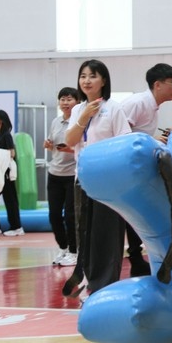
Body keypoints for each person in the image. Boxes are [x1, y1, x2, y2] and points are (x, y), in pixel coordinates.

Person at [64, 59, 132, 297]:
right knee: (84, 232)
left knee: (107, 233)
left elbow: (124, 142)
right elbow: (70, 140)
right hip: (83, 179)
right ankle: (88, 281)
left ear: (103, 80)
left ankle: (106, 284)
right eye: (83, 76)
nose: (87, 80)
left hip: (108, 181)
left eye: (93, 76)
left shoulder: (114, 109)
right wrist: (83, 117)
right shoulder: (77, 110)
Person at [120, 62, 172, 277]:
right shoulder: (138, 103)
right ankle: (134, 258)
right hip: (125, 169)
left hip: (138, 169)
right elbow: (121, 132)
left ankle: (137, 258)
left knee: (139, 213)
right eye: (171, 83)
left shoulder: (152, 106)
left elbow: (138, 133)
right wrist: (151, 140)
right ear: (158, 84)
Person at [42, 87, 79, 265]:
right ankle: (63, 248)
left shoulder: (79, 122)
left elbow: (84, 147)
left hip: (72, 174)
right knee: (54, 215)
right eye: (62, 99)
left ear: (77, 102)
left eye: (69, 99)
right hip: (54, 173)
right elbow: (53, 144)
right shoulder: (56, 122)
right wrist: (49, 145)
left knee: (71, 215)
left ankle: (74, 251)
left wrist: (70, 150)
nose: (65, 103)